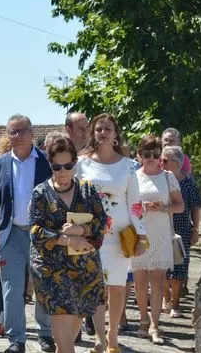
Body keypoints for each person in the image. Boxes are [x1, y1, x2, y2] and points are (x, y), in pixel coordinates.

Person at [74, 113, 148, 353]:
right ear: (93, 133)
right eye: (98, 129)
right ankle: (98, 336)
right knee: (94, 287)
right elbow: (73, 198)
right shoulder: (81, 163)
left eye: (108, 129)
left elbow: (135, 203)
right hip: (89, 234)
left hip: (119, 235)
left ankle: (112, 334)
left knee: (116, 286)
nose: (103, 133)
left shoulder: (129, 166)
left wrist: (142, 236)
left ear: (116, 134)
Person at [29, 136, 107, 353]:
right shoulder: (41, 193)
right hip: (52, 268)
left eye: (68, 166)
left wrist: (81, 230)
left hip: (85, 267)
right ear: (50, 164)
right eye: (56, 166)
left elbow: (102, 223)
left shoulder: (88, 189)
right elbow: (35, 231)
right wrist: (65, 239)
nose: (62, 171)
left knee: (71, 325)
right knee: (63, 320)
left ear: (74, 163)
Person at [0, 114, 54, 353]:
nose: (17, 136)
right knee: (11, 288)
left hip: (41, 234)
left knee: (43, 285)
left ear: (31, 133)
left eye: (22, 131)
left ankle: (46, 333)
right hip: (11, 234)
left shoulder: (47, 162)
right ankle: (17, 339)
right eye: (12, 132)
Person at [131, 135, 184, 344]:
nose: (151, 158)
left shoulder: (168, 176)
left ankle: (155, 325)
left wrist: (163, 208)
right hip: (140, 234)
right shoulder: (133, 177)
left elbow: (180, 206)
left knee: (158, 282)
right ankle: (143, 320)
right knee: (140, 282)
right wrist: (141, 208)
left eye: (155, 154)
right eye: (147, 154)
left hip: (161, 234)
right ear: (139, 155)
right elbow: (128, 207)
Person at [162, 145, 201, 318]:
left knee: (179, 269)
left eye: (164, 160)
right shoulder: (158, 180)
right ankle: (166, 298)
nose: (160, 163)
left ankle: (175, 304)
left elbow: (196, 208)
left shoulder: (188, 183)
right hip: (160, 229)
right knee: (162, 268)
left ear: (177, 163)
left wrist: (195, 230)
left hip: (182, 230)